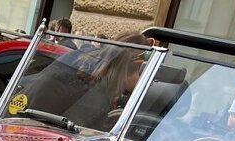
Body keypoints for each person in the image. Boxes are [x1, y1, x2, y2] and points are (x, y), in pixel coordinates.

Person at [18, 32, 150, 130]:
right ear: (129, 69)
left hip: (16, 120)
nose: (143, 80)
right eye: (141, 73)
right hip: (32, 136)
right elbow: (73, 136)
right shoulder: (95, 97)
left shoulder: (83, 59)